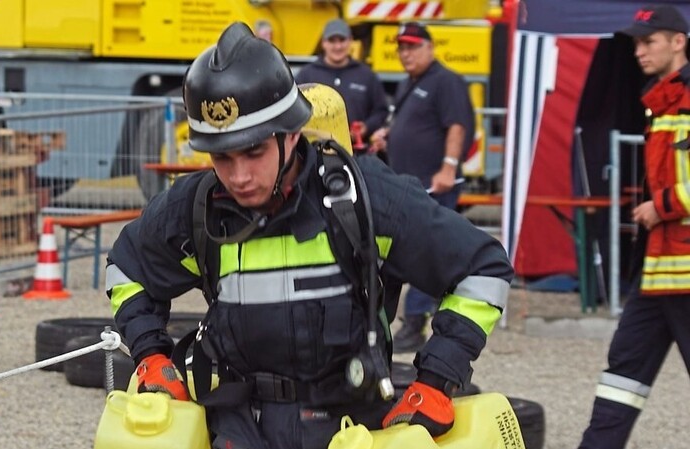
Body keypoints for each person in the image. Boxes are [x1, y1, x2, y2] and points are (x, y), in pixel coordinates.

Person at [105, 22, 512, 449]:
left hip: (350, 429)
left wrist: (437, 378)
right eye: (222, 157)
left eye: (254, 151)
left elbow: (482, 269)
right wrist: (151, 354)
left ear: (292, 133)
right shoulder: (193, 208)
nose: (239, 177)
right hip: (238, 427)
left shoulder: (364, 199)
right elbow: (126, 269)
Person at [578, 5, 690, 449]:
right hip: (658, 271)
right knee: (622, 371)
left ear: (678, 41)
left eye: (649, 41)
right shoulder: (661, 102)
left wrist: (659, 206)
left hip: (684, 273)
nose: (638, 51)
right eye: (637, 43)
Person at [370, 22, 476, 353]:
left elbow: (456, 125)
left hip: (433, 187)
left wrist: (448, 165)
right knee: (396, 255)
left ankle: (415, 323)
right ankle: (393, 323)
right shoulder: (410, 84)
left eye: (413, 46)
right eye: (402, 47)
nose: (406, 53)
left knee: (423, 254)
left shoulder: (446, 81)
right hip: (407, 188)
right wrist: (387, 135)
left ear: (430, 48)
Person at [295, 18, 389, 152]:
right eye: (332, 41)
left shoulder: (366, 75)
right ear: (323, 43)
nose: (337, 46)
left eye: (342, 40)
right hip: (314, 153)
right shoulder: (307, 75)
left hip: (357, 154)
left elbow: (381, 111)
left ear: (350, 41)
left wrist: (366, 127)